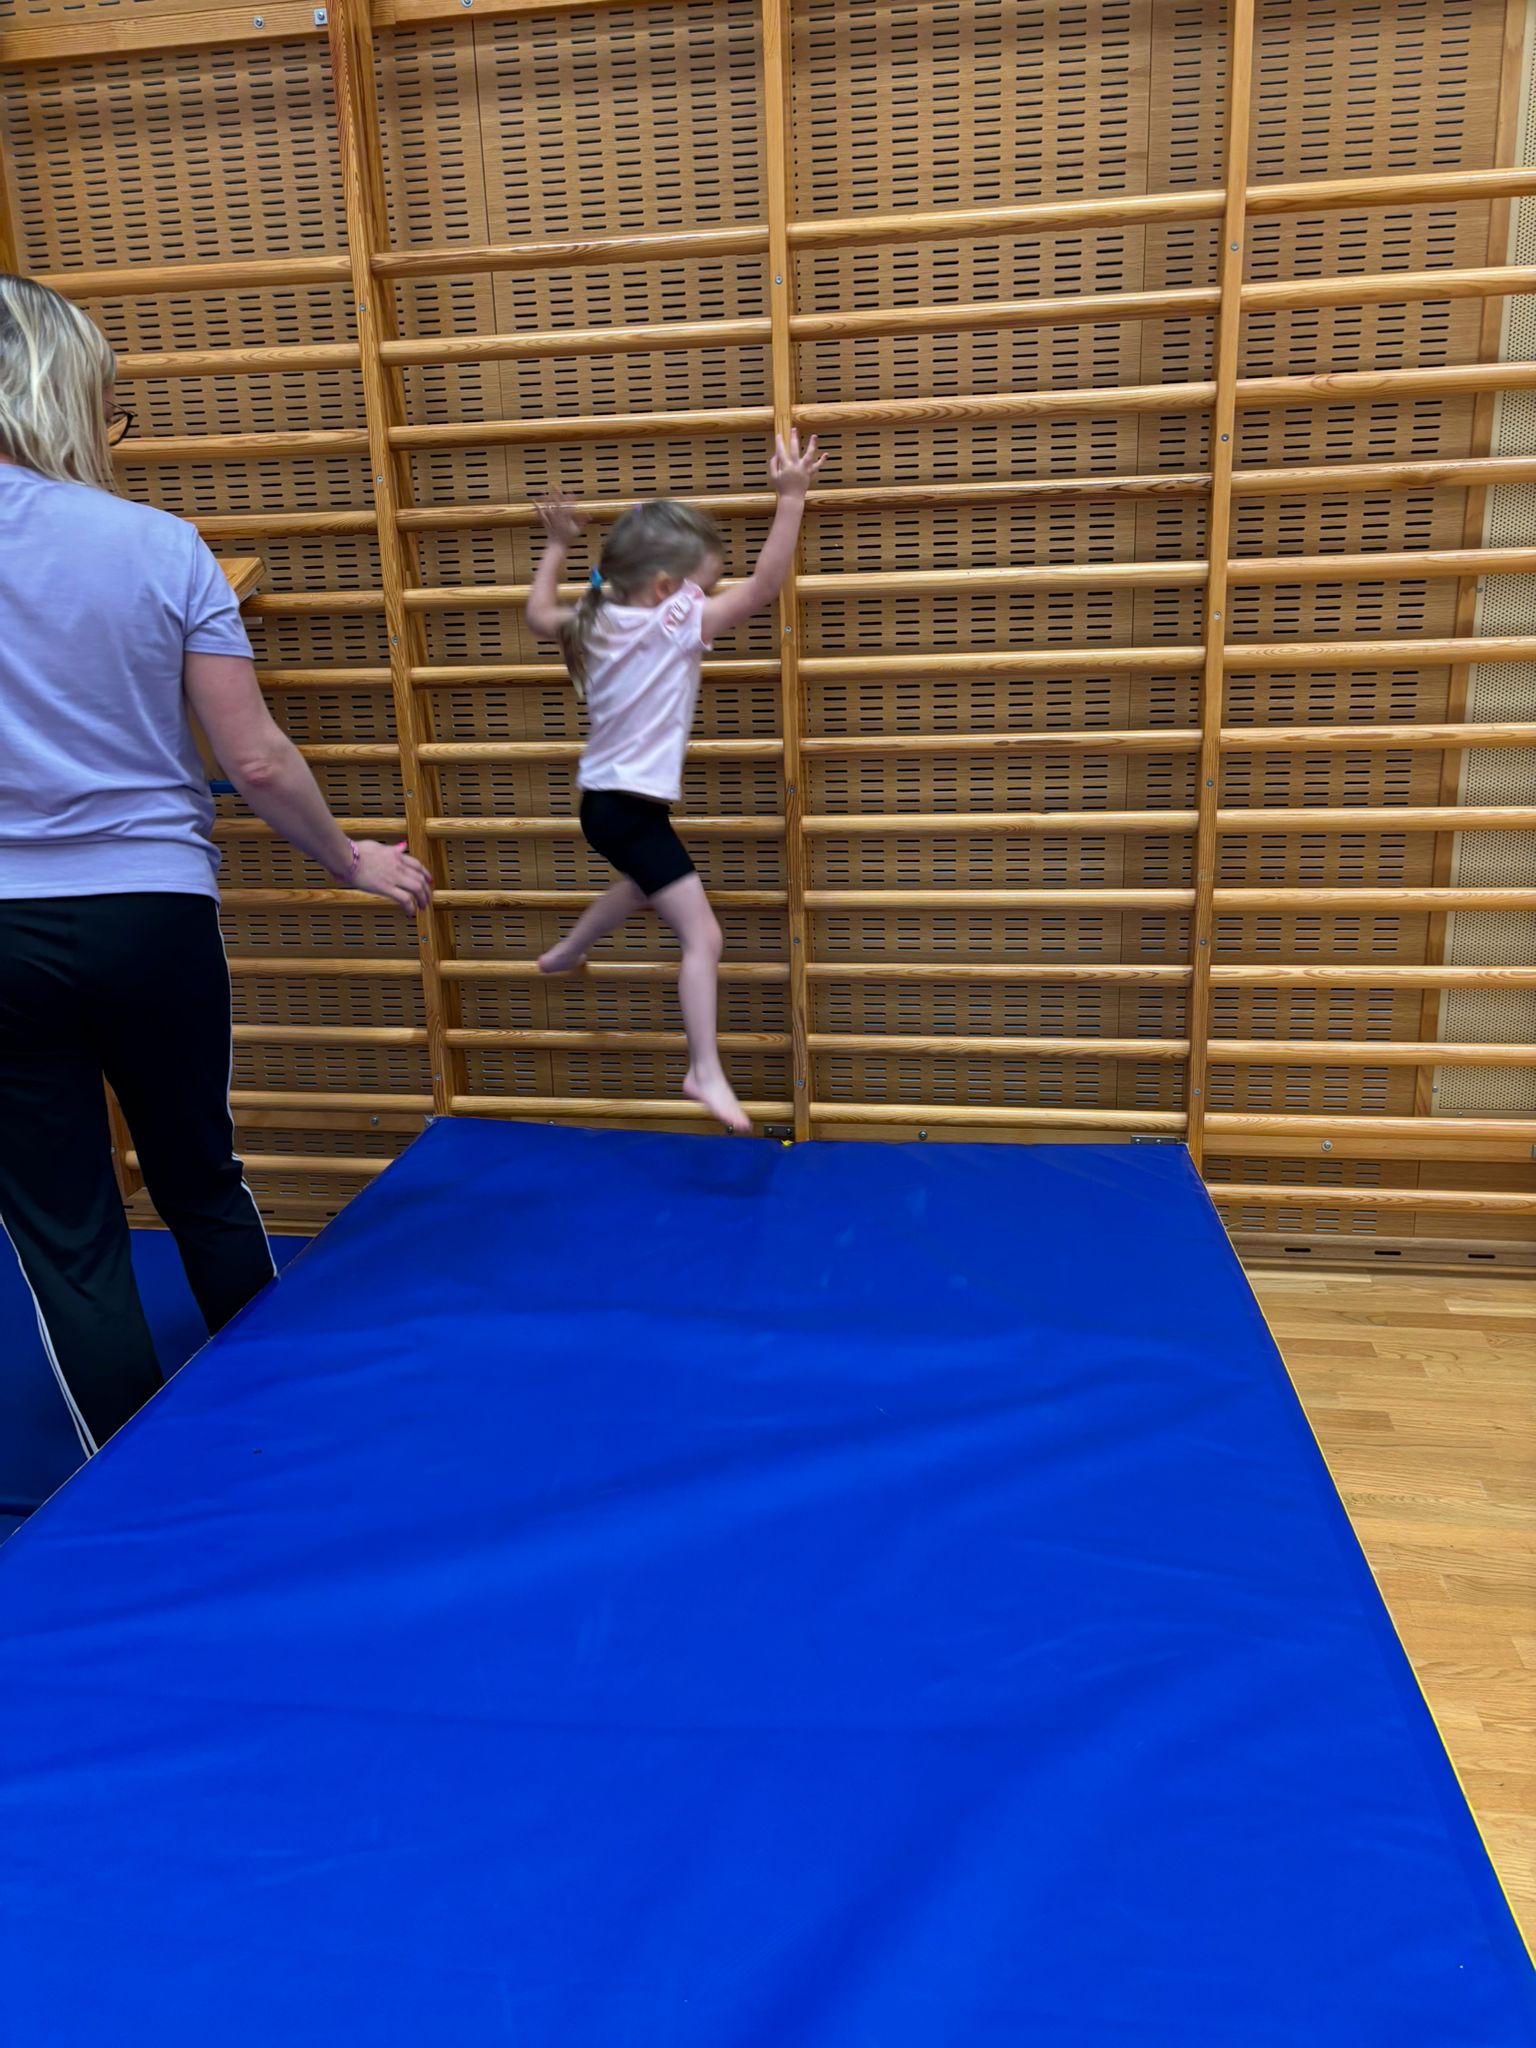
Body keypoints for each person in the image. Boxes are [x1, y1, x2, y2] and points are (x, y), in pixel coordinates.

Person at [0, 273, 432, 1458]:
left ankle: (129, 1491)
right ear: (64, 394)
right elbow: (254, 755)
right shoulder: (156, 545)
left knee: (67, 1234)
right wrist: (351, 858)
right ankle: (281, 1433)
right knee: (202, 1176)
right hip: (151, 911)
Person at [527, 432, 825, 1134]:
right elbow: (764, 588)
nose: (705, 595)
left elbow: (537, 614)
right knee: (704, 939)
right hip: (629, 810)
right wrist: (790, 499)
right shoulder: (673, 622)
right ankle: (704, 1069)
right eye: (702, 584)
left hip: (607, 809)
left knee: (643, 886)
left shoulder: (594, 619)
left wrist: (558, 547)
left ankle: (570, 949)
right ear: (666, 588)